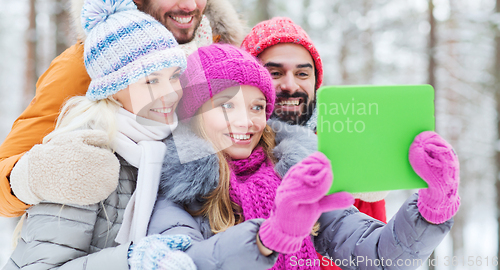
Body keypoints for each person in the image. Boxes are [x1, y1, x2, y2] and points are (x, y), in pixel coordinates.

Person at [147, 43, 459, 270]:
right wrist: (268, 237)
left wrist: (433, 207)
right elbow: (183, 263)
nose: (246, 121)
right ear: (193, 114)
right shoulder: (176, 196)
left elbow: (377, 257)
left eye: (256, 106)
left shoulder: (295, 178)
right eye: (226, 105)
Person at [0, 0, 246, 217]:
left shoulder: (220, 54)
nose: (190, 3)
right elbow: (4, 180)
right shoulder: (87, 64)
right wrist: (38, 176)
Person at [4, 0, 200, 270]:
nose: (170, 93)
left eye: (174, 77)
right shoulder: (81, 158)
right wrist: (131, 260)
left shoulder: (166, 148)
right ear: (112, 89)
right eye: (151, 81)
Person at [240, 18, 387, 218]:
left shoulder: (345, 152)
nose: (290, 85)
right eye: (275, 73)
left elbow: (376, 243)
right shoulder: (226, 152)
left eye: (302, 74)